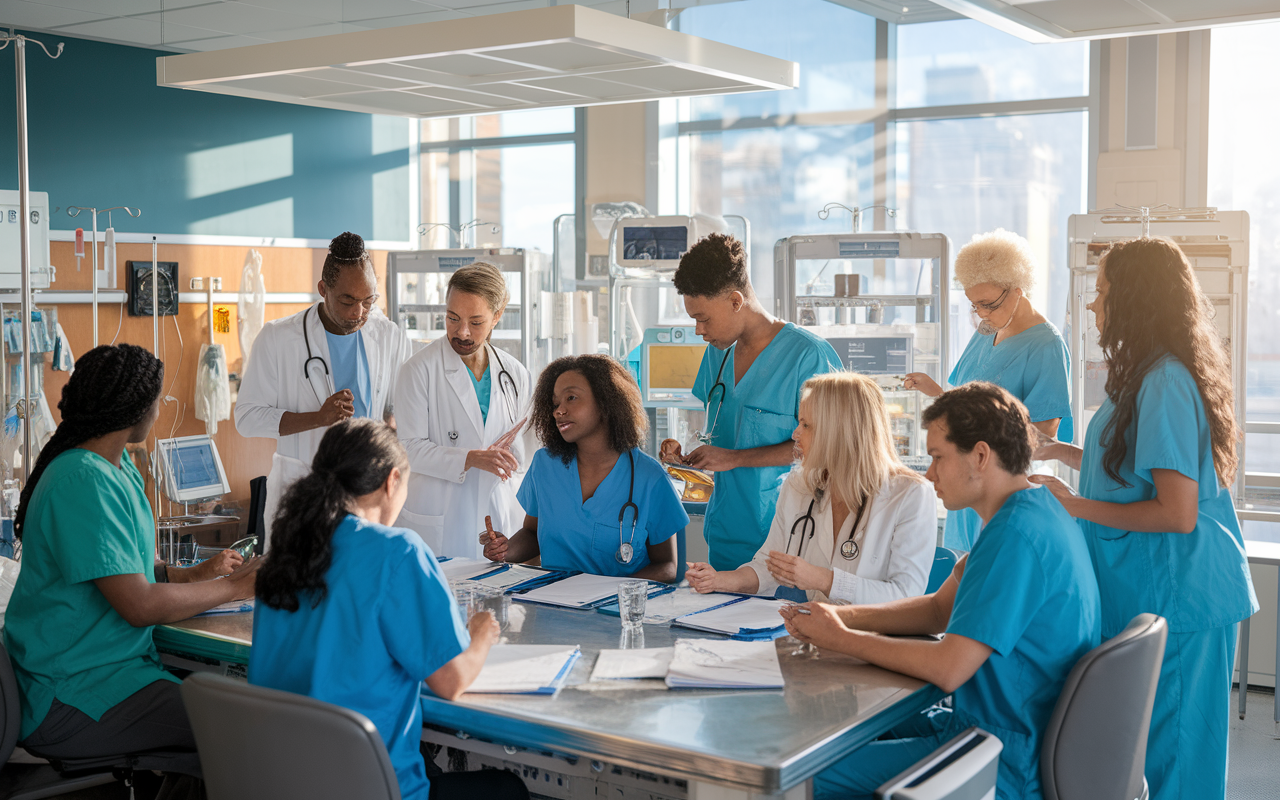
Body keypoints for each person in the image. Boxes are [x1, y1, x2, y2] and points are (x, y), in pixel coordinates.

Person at [781, 383, 1100, 800]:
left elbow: (949, 667)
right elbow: (936, 611)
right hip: (989, 724)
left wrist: (843, 640)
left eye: (937, 458)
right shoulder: (1030, 513)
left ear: (981, 456)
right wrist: (841, 617)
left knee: (800, 780)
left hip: (1001, 756)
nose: (929, 474)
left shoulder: (1016, 539)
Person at [1030, 237, 1257, 800]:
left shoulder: (1165, 382)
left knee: (1177, 761)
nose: (1093, 304)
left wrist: (1073, 503)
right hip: (1151, 589)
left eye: (1102, 291)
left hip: (1182, 595)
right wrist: (1061, 454)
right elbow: (1129, 470)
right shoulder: (1144, 375)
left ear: (1132, 297)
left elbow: (1176, 512)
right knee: (1150, 756)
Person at [4, 344, 260, 797]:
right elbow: (138, 605)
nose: (158, 410)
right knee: (247, 733)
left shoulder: (112, 470)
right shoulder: (82, 479)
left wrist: (204, 573)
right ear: (134, 409)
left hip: (110, 676)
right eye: (156, 401)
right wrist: (234, 585)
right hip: (75, 692)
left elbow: (137, 572)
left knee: (225, 722)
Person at [250, 418, 528, 800]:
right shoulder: (397, 551)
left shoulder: (287, 552)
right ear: (392, 481)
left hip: (286, 782)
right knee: (505, 789)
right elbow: (452, 681)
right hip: (366, 786)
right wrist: (484, 628)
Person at [660, 233, 840, 571]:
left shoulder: (808, 357)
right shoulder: (717, 355)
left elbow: (833, 448)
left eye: (704, 318)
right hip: (726, 537)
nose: (699, 330)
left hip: (789, 541)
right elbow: (715, 434)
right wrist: (683, 457)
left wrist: (735, 459)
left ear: (735, 300)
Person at [685, 371, 935, 604]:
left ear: (838, 431)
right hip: (818, 629)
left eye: (806, 425)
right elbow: (769, 566)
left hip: (879, 639)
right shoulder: (800, 484)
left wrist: (823, 580)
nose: (795, 434)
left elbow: (905, 596)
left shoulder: (910, 494)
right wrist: (718, 580)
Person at [236, 231, 412, 544]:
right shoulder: (277, 338)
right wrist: (318, 418)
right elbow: (247, 418)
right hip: (303, 492)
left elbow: (397, 407)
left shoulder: (390, 336)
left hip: (367, 493)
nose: (359, 312)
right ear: (323, 289)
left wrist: (394, 423)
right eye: (347, 301)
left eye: (368, 301)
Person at [903, 229, 1071, 552]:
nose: (980, 314)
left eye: (987, 304)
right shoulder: (987, 330)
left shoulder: (1046, 346)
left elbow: (1042, 436)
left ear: (1018, 290)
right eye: (973, 305)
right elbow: (970, 410)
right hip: (966, 491)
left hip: (999, 495)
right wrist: (936, 392)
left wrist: (980, 455)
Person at [481, 355, 687, 582]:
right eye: (555, 403)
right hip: (552, 603)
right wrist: (505, 550)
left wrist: (615, 593)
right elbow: (532, 534)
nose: (559, 411)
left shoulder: (650, 478)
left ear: (606, 402)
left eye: (571, 398)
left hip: (617, 611)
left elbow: (667, 565)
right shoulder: (545, 464)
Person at [396, 262, 533, 558]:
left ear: (497, 317)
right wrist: (471, 458)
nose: (462, 332)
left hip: (498, 519)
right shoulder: (418, 370)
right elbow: (407, 449)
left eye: (476, 321)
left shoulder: (515, 373)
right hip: (440, 516)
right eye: (452, 318)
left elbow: (523, 456)